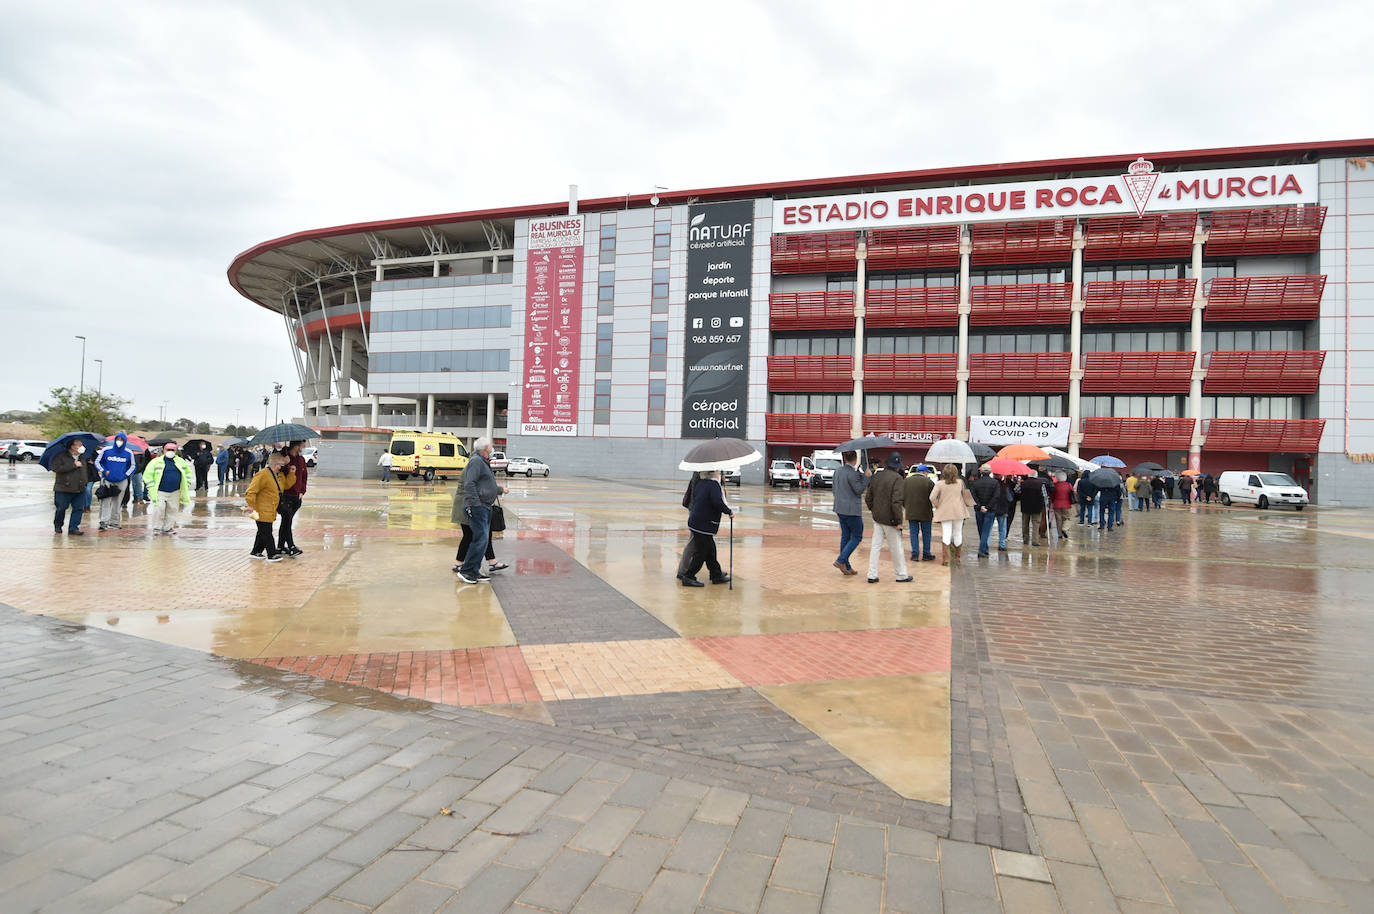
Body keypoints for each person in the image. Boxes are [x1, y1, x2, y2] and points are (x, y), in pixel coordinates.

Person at [456, 437, 507, 584]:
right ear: (485, 448)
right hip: (478, 507)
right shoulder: (476, 461)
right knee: (480, 540)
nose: (493, 448)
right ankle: (467, 571)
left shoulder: (482, 461)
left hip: (484, 506)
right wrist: (476, 504)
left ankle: (474, 571)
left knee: (483, 540)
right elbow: (469, 483)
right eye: (491, 445)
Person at [863, 453, 911, 583]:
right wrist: (898, 521)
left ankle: (872, 574)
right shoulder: (897, 479)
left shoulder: (876, 476)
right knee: (896, 548)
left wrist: (874, 510)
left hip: (877, 517)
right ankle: (901, 575)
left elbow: (868, 498)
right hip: (891, 519)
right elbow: (896, 502)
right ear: (897, 466)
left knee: (875, 546)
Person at [681, 469, 733, 586]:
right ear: (712, 473)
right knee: (701, 553)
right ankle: (688, 576)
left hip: (697, 522)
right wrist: (729, 511)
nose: (719, 473)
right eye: (718, 472)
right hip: (703, 524)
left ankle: (716, 575)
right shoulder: (713, 485)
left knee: (710, 550)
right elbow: (717, 502)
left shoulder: (701, 483)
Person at [244, 451, 296, 561]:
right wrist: (250, 505)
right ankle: (271, 554)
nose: (283, 468)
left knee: (263, 531)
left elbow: (286, 486)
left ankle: (256, 551)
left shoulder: (278, 476)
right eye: (282, 465)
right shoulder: (262, 475)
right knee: (266, 532)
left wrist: (291, 474)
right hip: (260, 509)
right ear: (276, 465)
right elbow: (251, 491)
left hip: (271, 509)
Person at [831, 451, 869, 576]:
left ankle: (846, 565)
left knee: (845, 537)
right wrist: (866, 477)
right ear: (856, 458)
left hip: (839, 508)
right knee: (857, 537)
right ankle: (841, 561)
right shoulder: (852, 473)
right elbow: (858, 490)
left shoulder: (838, 471)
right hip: (852, 510)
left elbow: (834, 489)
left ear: (844, 458)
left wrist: (859, 474)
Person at [143, 442, 193, 535]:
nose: (170, 452)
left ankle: (168, 527)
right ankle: (157, 528)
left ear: (176, 451)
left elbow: (188, 473)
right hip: (160, 491)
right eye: (168, 450)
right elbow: (147, 475)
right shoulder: (155, 462)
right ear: (163, 450)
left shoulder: (181, 462)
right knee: (159, 509)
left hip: (175, 491)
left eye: (172, 450)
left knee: (172, 510)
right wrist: (150, 487)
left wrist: (187, 484)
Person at [95, 432, 137, 530]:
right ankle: (103, 521)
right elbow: (97, 462)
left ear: (125, 441)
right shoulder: (106, 450)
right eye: (118, 439)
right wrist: (104, 471)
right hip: (107, 480)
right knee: (106, 501)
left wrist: (125, 475)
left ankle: (114, 522)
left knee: (117, 502)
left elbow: (133, 466)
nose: (119, 442)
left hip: (122, 480)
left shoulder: (128, 452)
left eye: (122, 440)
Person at [930, 463, 971, 565]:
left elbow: (931, 497)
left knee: (946, 533)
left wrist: (938, 505)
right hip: (959, 511)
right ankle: (957, 558)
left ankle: (946, 559)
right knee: (958, 533)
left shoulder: (940, 484)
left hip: (945, 511)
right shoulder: (960, 482)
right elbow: (965, 495)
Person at [276, 441, 308, 557]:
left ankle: (280, 547)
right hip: (285, 497)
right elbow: (276, 472)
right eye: (303, 445)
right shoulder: (283, 457)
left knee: (286, 522)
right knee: (287, 521)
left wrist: (302, 491)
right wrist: (285, 464)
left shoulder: (301, 460)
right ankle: (291, 546)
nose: (304, 447)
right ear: (297, 445)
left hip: (296, 497)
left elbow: (304, 477)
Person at [51, 438, 88, 535]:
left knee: (78, 508)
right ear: (72, 446)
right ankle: (58, 526)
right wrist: (73, 465)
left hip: (80, 488)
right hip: (63, 488)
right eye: (79, 445)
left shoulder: (82, 457)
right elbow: (55, 468)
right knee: (61, 508)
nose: (81, 447)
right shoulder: (61, 456)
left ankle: (73, 528)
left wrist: (85, 482)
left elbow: (84, 471)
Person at [904, 464, 935, 563]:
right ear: (924, 472)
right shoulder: (929, 482)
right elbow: (933, 497)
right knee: (926, 533)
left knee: (913, 533)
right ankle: (926, 554)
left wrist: (907, 506)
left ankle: (915, 554)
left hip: (911, 511)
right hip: (926, 512)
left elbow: (901, 496)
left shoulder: (906, 481)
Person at [969, 467, 1002, 558]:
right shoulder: (995, 483)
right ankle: (982, 550)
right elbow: (996, 496)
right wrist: (988, 507)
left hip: (979, 510)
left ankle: (984, 549)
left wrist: (980, 506)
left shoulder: (976, 483)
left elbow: (973, 496)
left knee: (981, 530)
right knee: (986, 531)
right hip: (990, 510)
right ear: (990, 472)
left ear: (981, 472)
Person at [1016, 473, 1047, 547]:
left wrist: (1018, 484)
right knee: (1036, 524)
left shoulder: (1023, 483)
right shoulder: (1041, 484)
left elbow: (1016, 491)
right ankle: (1035, 541)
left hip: (1025, 506)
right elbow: (1045, 495)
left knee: (1025, 523)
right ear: (1036, 476)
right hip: (1037, 507)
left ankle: (1025, 540)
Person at [1050, 472, 1073, 542]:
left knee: (1058, 520)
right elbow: (1071, 494)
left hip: (1057, 504)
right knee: (1067, 518)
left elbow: (1052, 496)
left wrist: (1052, 502)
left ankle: (1059, 534)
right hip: (1066, 504)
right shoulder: (1069, 485)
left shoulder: (1055, 485)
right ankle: (1065, 528)